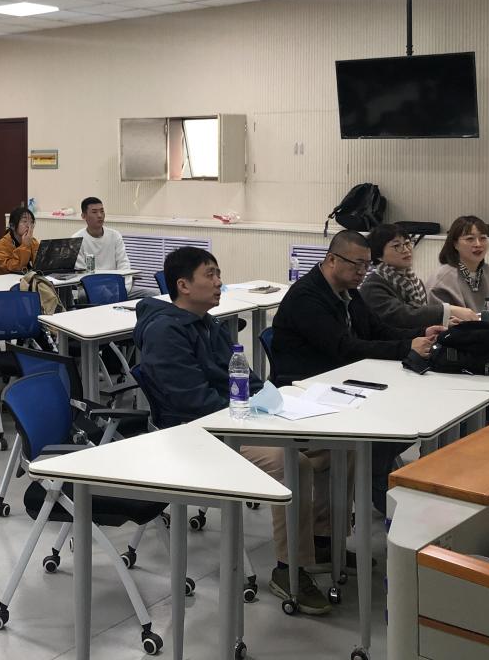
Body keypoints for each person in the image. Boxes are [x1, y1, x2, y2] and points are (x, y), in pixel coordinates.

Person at [135, 246, 338, 614]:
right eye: (210, 275)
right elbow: (192, 403)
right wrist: (256, 419)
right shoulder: (166, 332)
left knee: (334, 447)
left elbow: (246, 378)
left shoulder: (207, 323)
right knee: (290, 463)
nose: (219, 282)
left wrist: (274, 403)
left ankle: (322, 542)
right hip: (195, 435)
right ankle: (289, 570)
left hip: (232, 420)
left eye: (218, 273)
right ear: (183, 285)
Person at [273, 229, 441, 516]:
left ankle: (377, 475)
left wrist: (421, 333)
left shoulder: (348, 291)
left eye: (367, 265)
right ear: (332, 260)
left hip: (343, 381)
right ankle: (376, 481)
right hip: (306, 392)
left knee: (412, 414)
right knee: (391, 423)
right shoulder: (306, 297)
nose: (363, 272)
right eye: (357, 264)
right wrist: (405, 347)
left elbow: (378, 330)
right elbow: (345, 348)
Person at [360, 224, 477, 331]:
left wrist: (443, 323)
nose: (406, 250)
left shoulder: (414, 281)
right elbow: (402, 317)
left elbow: (418, 319)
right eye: (397, 246)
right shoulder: (373, 285)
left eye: (407, 243)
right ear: (379, 255)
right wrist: (447, 310)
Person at [72, 196, 152, 299]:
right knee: (87, 296)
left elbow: (124, 264)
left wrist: (124, 289)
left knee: (152, 295)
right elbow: (81, 275)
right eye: (94, 212)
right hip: (92, 289)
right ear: (84, 216)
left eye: (102, 211)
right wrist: (105, 291)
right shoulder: (76, 240)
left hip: (117, 287)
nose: (100, 215)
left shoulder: (115, 235)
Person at [427, 215, 489, 312]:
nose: (478, 244)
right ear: (455, 244)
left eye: (483, 238)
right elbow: (435, 316)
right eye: (470, 239)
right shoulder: (442, 278)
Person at [0, 206, 38, 275]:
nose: (29, 226)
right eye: (24, 221)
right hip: (3, 279)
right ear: (12, 226)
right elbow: (13, 269)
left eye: (31, 222)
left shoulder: (33, 241)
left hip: (24, 278)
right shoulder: (0, 246)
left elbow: (40, 264)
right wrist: (25, 246)